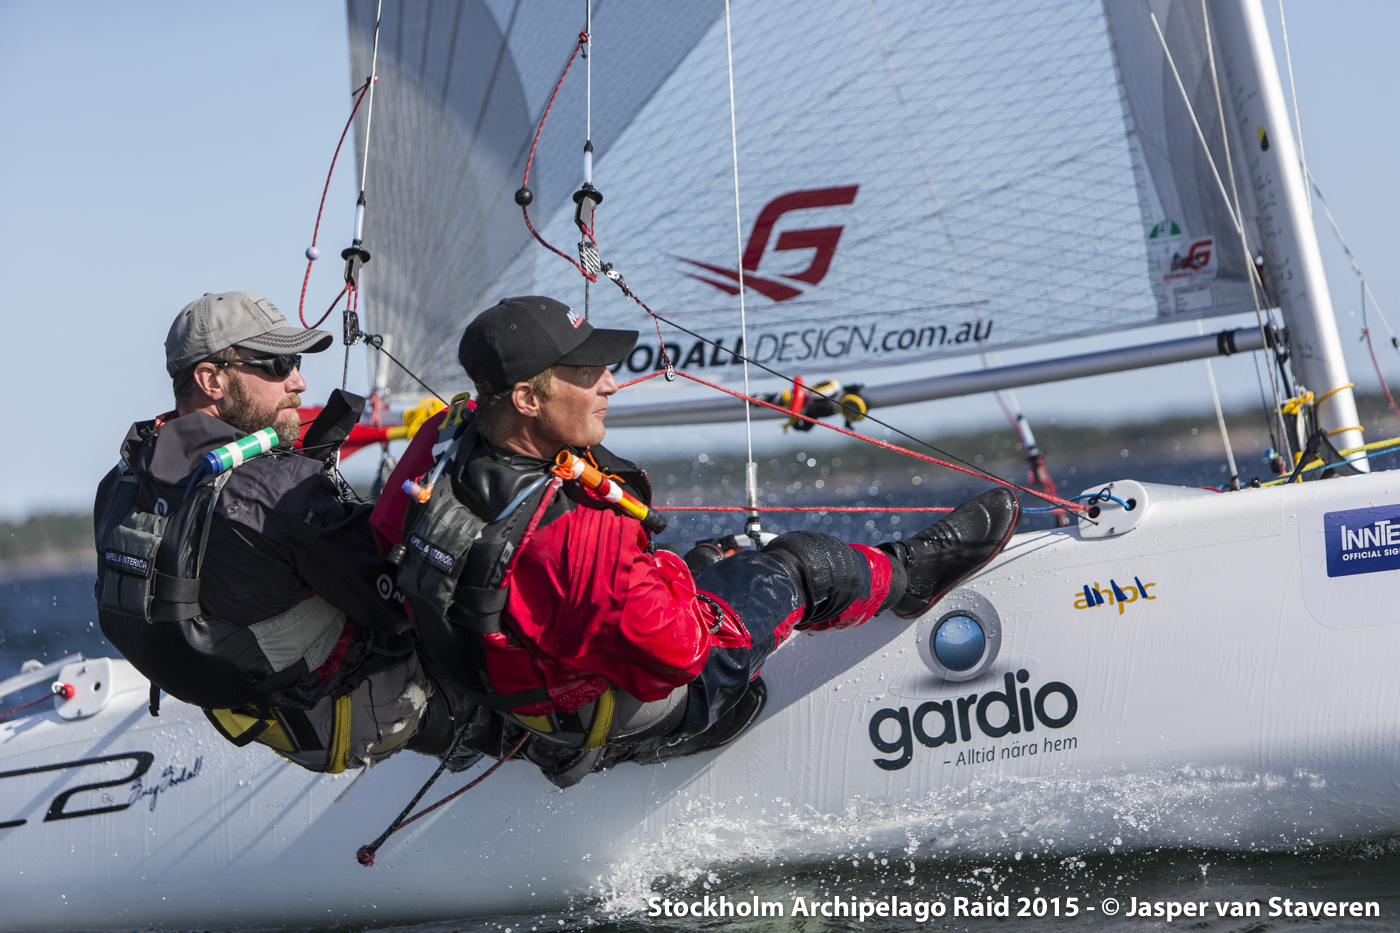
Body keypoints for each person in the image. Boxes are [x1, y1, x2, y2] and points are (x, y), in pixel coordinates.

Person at [371, 296, 1020, 787]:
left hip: (497, 694)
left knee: (709, 557)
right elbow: (681, 657)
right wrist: (684, 577)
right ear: (526, 398)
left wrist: (683, 567)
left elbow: (385, 541)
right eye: (586, 372)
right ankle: (910, 576)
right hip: (596, 717)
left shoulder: (443, 443)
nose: (610, 383)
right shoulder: (582, 531)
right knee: (794, 564)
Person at [93, 291, 437, 773]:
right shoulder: (282, 489)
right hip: (340, 719)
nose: (298, 381)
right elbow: (396, 605)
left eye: (296, 363)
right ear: (211, 380)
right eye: (278, 365)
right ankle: (510, 739)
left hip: (247, 714)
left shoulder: (121, 481)